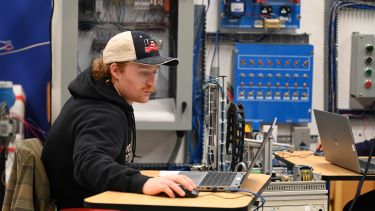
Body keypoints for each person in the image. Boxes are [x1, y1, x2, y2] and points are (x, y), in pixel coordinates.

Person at [41, 31, 196, 210]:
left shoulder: (99, 98)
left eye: (155, 73)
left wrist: (149, 180)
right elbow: (90, 164)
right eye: (144, 73)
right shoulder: (102, 113)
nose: (152, 84)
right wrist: (142, 184)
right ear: (115, 71)